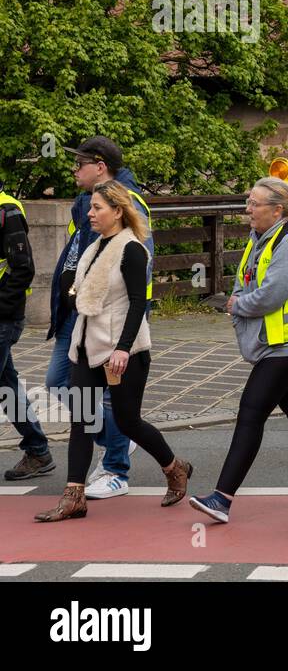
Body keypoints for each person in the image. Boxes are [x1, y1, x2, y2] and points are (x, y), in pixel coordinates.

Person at [34, 181, 190, 522]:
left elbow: (138, 302)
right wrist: (71, 292)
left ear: (117, 211)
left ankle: (174, 468)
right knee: (82, 421)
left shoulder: (131, 249)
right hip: (87, 350)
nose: (90, 213)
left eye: (98, 208)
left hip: (123, 355)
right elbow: (80, 290)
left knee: (127, 421)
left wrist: (122, 348)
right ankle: (73, 496)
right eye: (91, 207)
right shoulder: (95, 248)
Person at [189, 178, 288, 522]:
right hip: (271, 340)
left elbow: (272, 294)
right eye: (249, 202)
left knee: (251, 412)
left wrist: (237, 305)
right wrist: (239, 300)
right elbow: (245, 282)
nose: (248, 209)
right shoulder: (261, 238)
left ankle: (222, 499)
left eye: (254, 204)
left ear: (278, 210)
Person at [46, 137, 152, 500]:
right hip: (78, 318)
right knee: (58, 383)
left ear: (100, 166)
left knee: (107, 400)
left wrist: (123, 336)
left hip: (107, 324)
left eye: (80, 164)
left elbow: (138, 271)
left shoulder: (125, 204)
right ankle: (118, 437)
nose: (74, 170)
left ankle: (116, 467)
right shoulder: (87, 203)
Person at [1, 188, 53, 482]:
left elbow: (23, 269)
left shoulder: (7, 212)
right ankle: (37, 451)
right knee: (6, 386)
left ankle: (38, 451)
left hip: (3, 318)